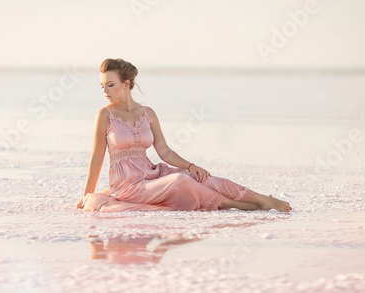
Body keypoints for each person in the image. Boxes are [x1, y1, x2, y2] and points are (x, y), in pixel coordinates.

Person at [76, 58, 292, 213]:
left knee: (198, 177)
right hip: (128, 186)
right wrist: (87, 193)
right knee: (179, 180)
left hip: (151, 174)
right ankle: (245, 206)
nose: (105, 90)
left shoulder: (148, 113)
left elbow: (164, 151)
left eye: (110, 85)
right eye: (102, 86)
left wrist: (191, 166)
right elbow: (97, 157)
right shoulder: (105, 114)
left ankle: (261, 199)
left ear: (126, 84)